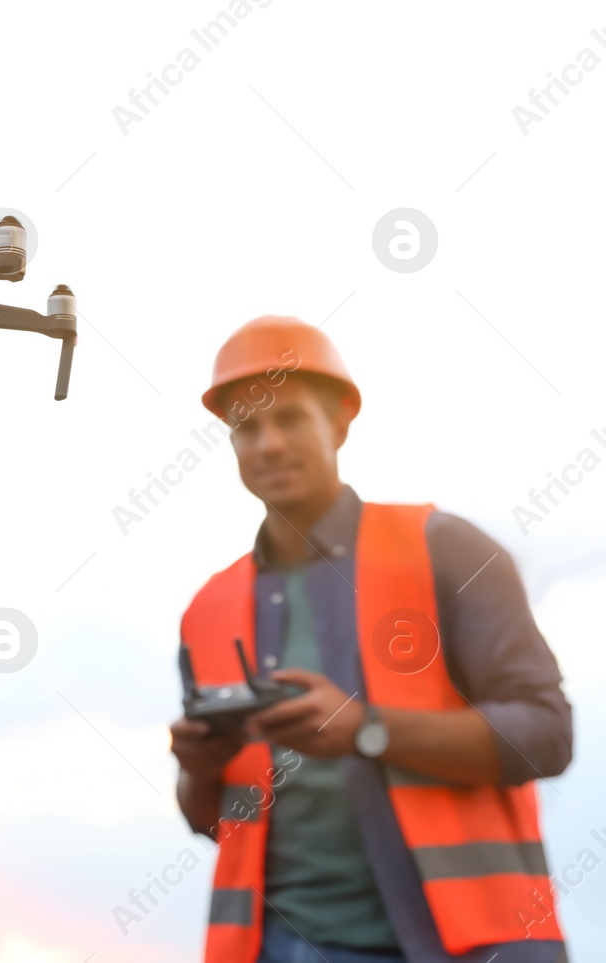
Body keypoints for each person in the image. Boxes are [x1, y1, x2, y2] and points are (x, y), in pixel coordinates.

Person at [168, 316, 572, 963]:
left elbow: (548, 735)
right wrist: (199, 767)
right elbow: (216, 821)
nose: (267, 443)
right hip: (274, 945)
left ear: (340, 422)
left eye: (290, 418)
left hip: (467, 946)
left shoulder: (446, 549)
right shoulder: (208, 607)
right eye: (247, 427)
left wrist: (365, 729)